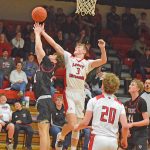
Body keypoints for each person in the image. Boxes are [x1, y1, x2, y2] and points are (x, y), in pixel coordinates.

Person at [36, 22, 107, 150]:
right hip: (69, 93)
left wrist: (102, 48)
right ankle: (61, 136)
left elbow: (103, 61)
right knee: (73, 124)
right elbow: (55, 45)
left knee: (78, 125)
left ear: (85, 51)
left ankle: (73, 148)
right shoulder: (69, 57)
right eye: (77, 46)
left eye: (80, 47)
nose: (77, 48)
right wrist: (42, 32)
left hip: (80, 93)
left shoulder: (88, 63)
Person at [74, 73, 129, 150]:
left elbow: (85, 123)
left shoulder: (94, 100)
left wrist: (77, 127)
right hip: (112, 141)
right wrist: (124, 140)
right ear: (116, 88)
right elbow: (125, 126)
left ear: (102, 85)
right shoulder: (120, 105)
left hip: (97, 139)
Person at [33, 23, 63, 150]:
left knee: (43, 131)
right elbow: (37, 50)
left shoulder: (49, 64)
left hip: (45, 100)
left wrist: (37, 33)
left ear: (55, 61)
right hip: (45, 100)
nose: (50, 55)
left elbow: (40, 49)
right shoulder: (46, 66)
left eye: (53, 55)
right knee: (42, 131)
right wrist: (38, 34)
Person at [124, 79, 149, 150]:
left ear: (138, 89)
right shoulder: (127, 103)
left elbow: (147, 121)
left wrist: (132, 124)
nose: (129, 86)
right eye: (130, 84)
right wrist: (127, 129)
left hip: (140, 134)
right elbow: (125, 119)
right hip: (130, 133)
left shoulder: (142, 102)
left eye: (132, 85)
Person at [141, 79, 150, 144]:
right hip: (143, 118)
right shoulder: (141, 95)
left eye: (149, 83)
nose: (147, 85)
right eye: (146, 83)